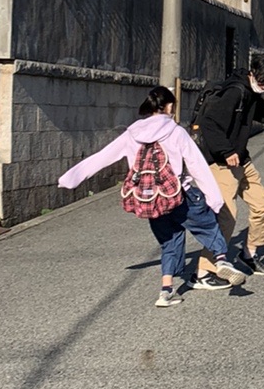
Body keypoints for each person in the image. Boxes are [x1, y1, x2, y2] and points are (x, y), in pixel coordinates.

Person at [57, 85, 239, 307]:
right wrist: (214, 198)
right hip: (180, 194)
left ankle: (166, 291)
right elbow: (197, 166)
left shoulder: (132, 133)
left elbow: (102, 157)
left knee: (169, 241)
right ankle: (221, 260)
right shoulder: (176, 131)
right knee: (208, 225)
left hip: (151, 198)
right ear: (168, 106)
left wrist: (70, 178)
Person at [192, 50, 264, 277]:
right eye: (263, 81)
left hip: (241, 160)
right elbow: (209, 122)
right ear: (253, 73)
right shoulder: (235, 91)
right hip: (222, 164)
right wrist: (226, 150)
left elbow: (263, 110)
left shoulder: (249, 92)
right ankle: (203, 271)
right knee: (227, 215)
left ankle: (248, 255)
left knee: (263, 205)